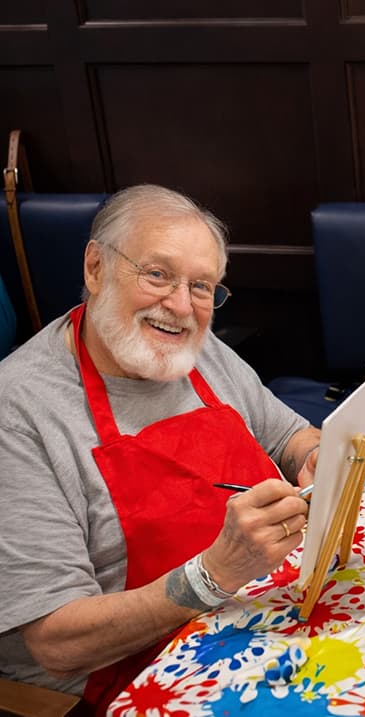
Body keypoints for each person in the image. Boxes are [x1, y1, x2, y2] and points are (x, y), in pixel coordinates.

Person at [0, 185, 320, 712]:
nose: (180, 306)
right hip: (125, 679)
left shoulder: (200, 349)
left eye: (201, 286)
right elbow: (54, 642)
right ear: (96, 267)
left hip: (243, 623)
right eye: (157, 274)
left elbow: (289, 436)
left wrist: (314, 454)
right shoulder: (20, 410)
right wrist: (212, 576)